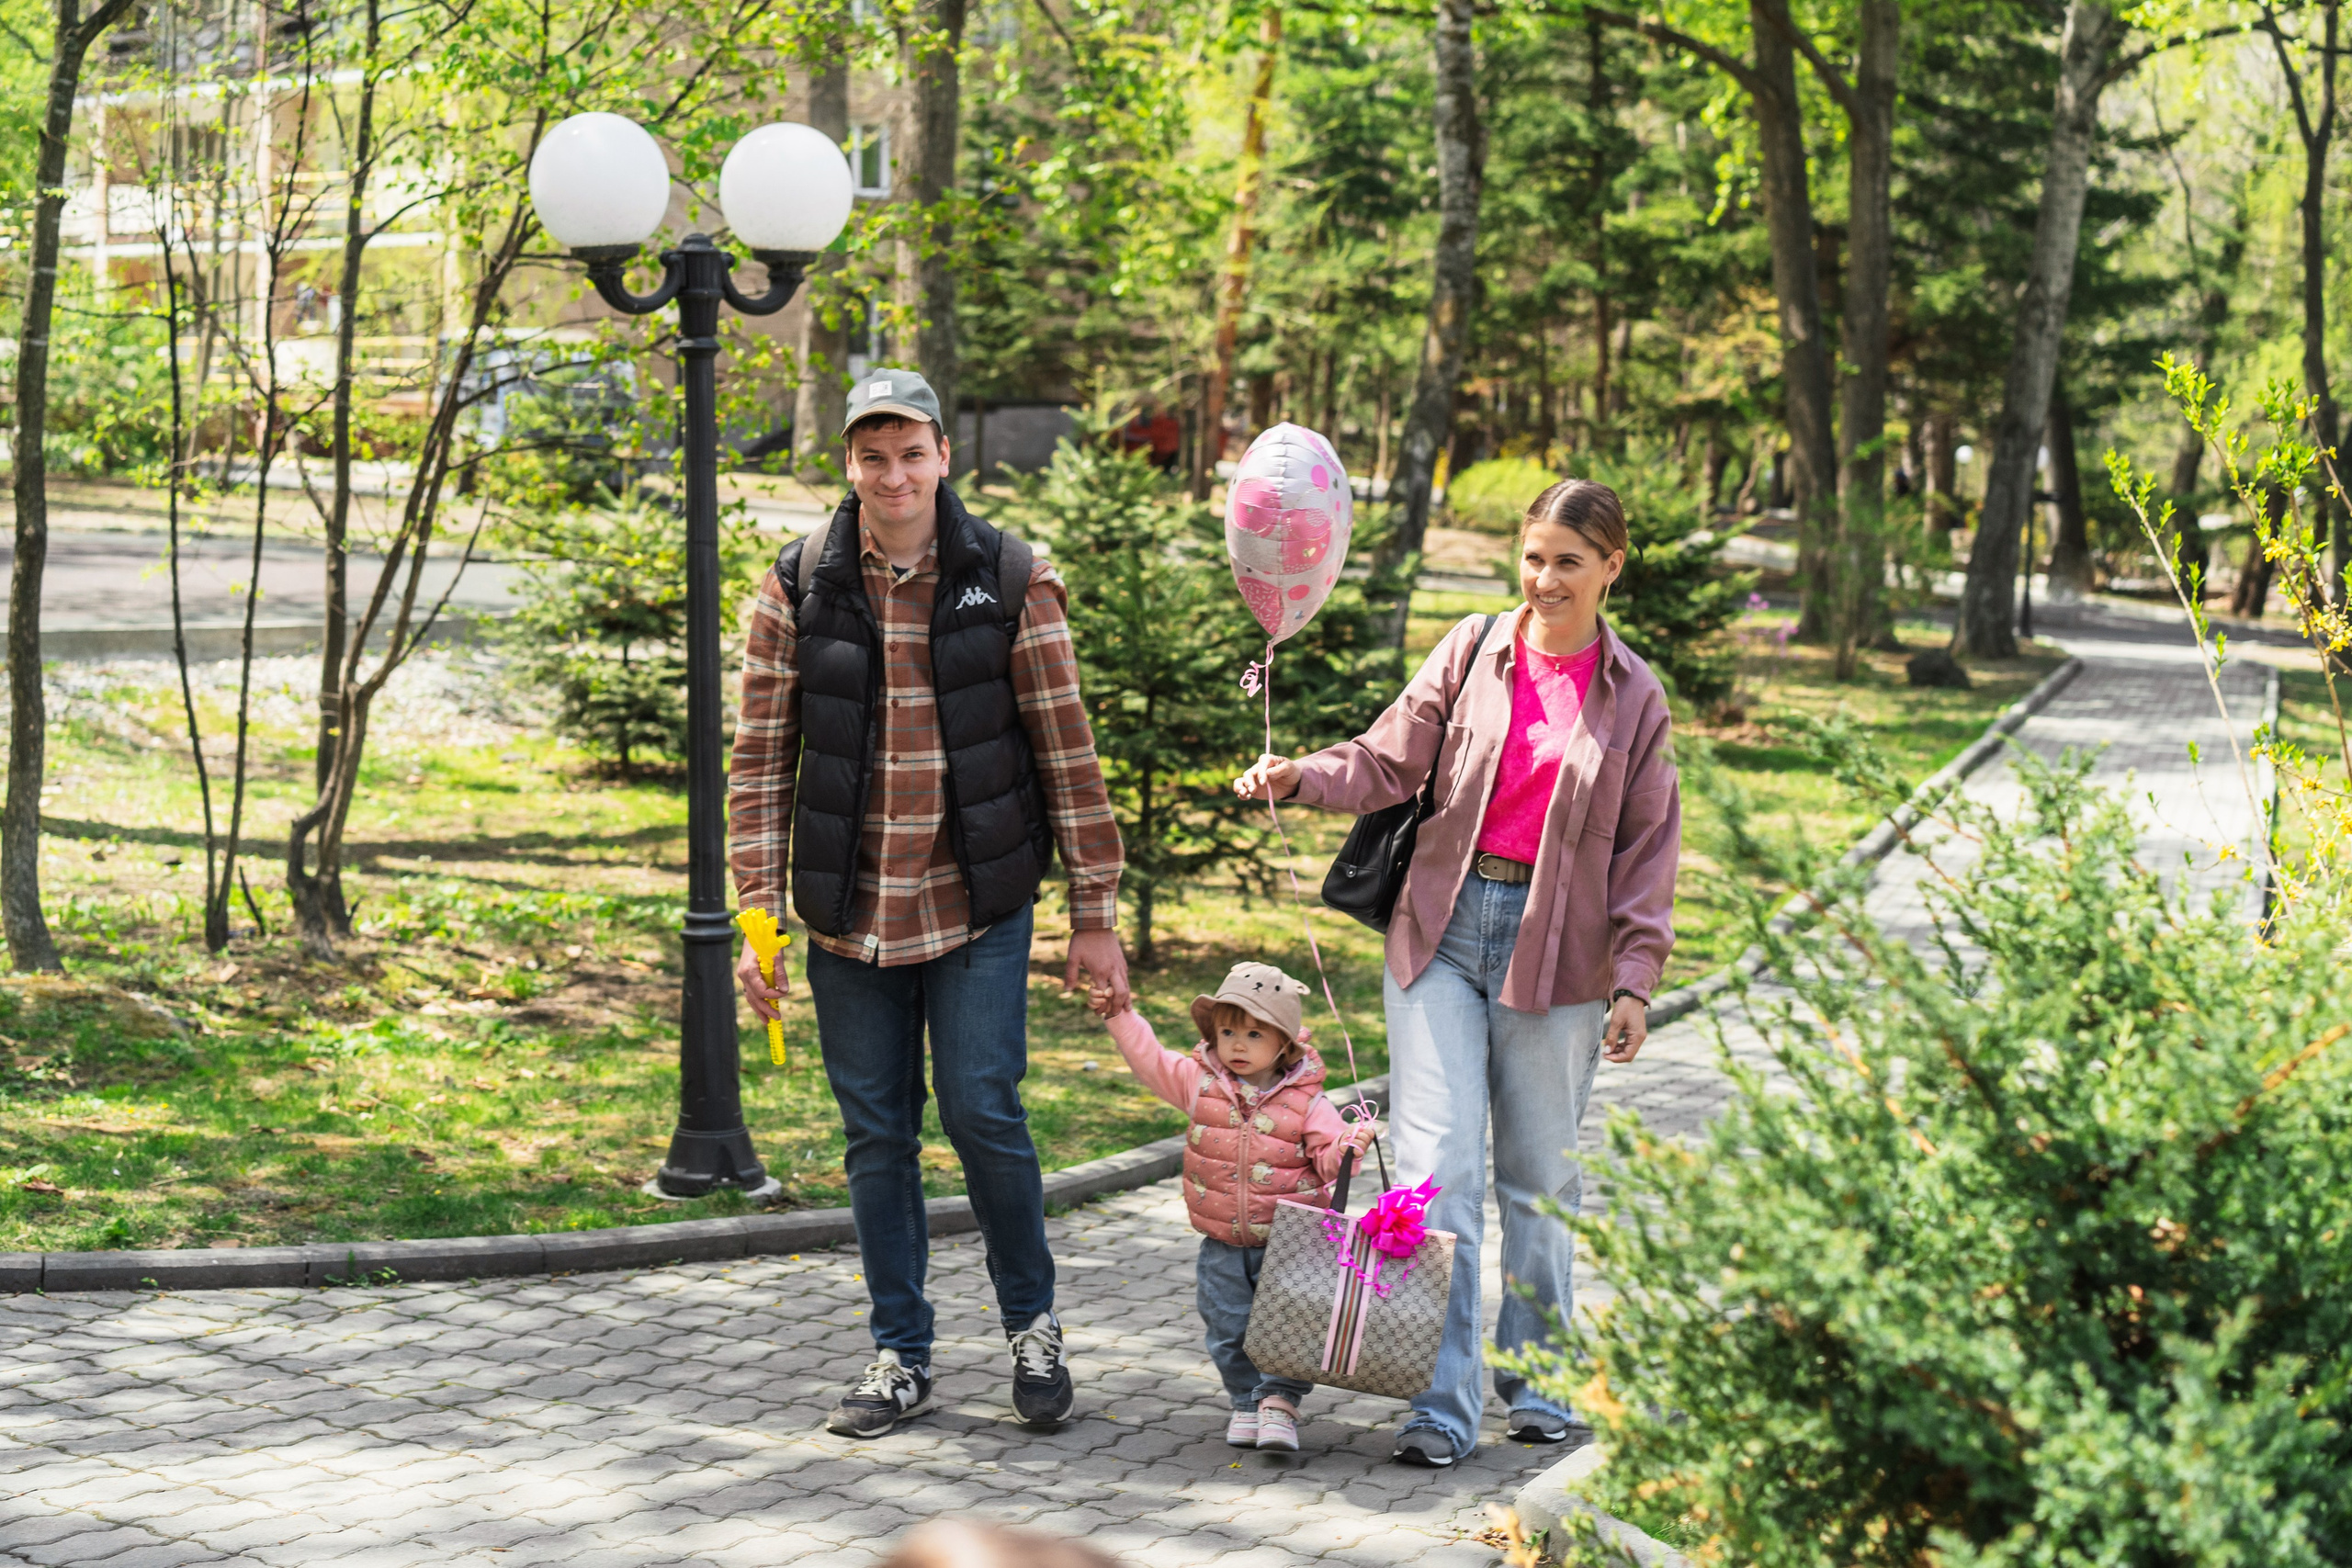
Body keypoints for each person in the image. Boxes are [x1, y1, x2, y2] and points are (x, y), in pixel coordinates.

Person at [1233, 478, 1679, 1467]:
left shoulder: (1632, 696)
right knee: (1437, 1182)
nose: (1544, 578)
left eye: (1568, 560)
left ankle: (1540, 1378)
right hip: (1440, 930)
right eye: (1532, 556)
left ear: (1611, 566)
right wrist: (1300, 774)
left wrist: (1635, 981)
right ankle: (1441, 1404)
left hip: (1559, 953)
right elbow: (1389, 761)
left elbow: (1648, 852)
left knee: (1537, 1182)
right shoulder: (1474, 649)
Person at [729, 367, 1132, 1438]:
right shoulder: (798, 581)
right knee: (877, 1137)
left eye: (911, 452)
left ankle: (1032, 1328)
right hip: (845, 914)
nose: (893, 473)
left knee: (983, 1114)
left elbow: (1066, 749)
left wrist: (1094, 912)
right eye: (873, 455)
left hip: (974, 905)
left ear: (944, 457)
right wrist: (757, 915)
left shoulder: (1008, 576)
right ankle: (899, 1355)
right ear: (848, 464)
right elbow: (761, 761)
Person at [1085, 962, 1380, 1452]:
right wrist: (1121, 1015)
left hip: (1292, 1243)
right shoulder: (1199, 1083)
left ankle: (1280, 1404)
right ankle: (1246, 1401)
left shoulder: (1308, 1102)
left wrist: (1348, 1147)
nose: (1238, 1045)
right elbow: (1150, 1058)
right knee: (1227, 1327)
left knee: (1288, 1330)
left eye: (1254, 1034)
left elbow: (1328, 1163)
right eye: (1228, 1031)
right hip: (1222, 1240)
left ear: (1284, 1044)